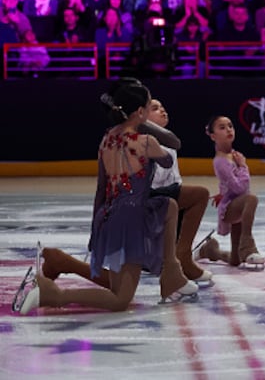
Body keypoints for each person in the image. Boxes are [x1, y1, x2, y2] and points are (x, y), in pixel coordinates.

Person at [16, 81, 198, 315]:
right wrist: (145, 127)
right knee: (120, 299)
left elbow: (101, 188)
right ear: (141, 112)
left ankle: (171, 275)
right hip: (132, 220)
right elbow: (171, 152)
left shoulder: (106, 140)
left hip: (110, 215)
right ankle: (52, 294)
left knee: (169, 206)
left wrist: (95, 226)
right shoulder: (146, 142)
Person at [147, 99, 212, 283]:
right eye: (155, 108)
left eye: (163, 107)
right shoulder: (147, 141)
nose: (162, 110)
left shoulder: (166, 139)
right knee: (199, 195)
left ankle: (170, 254)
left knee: (184, 198)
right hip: (149, 198)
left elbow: (175, 180)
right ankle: (182, 255)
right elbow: (155, 180)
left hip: (163, 196)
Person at [194, 116, 265, 269]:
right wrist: (243, 166)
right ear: (213, 136)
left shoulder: (233, 155)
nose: (228, 129)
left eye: (230, 126)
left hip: (238, 205)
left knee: (235, 260)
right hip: (230, 208)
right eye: (222, 127)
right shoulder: (220, 161)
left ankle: (210, 251)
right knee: (251, 199)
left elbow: (238, 187)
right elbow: (240, 188)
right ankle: (248, 246)